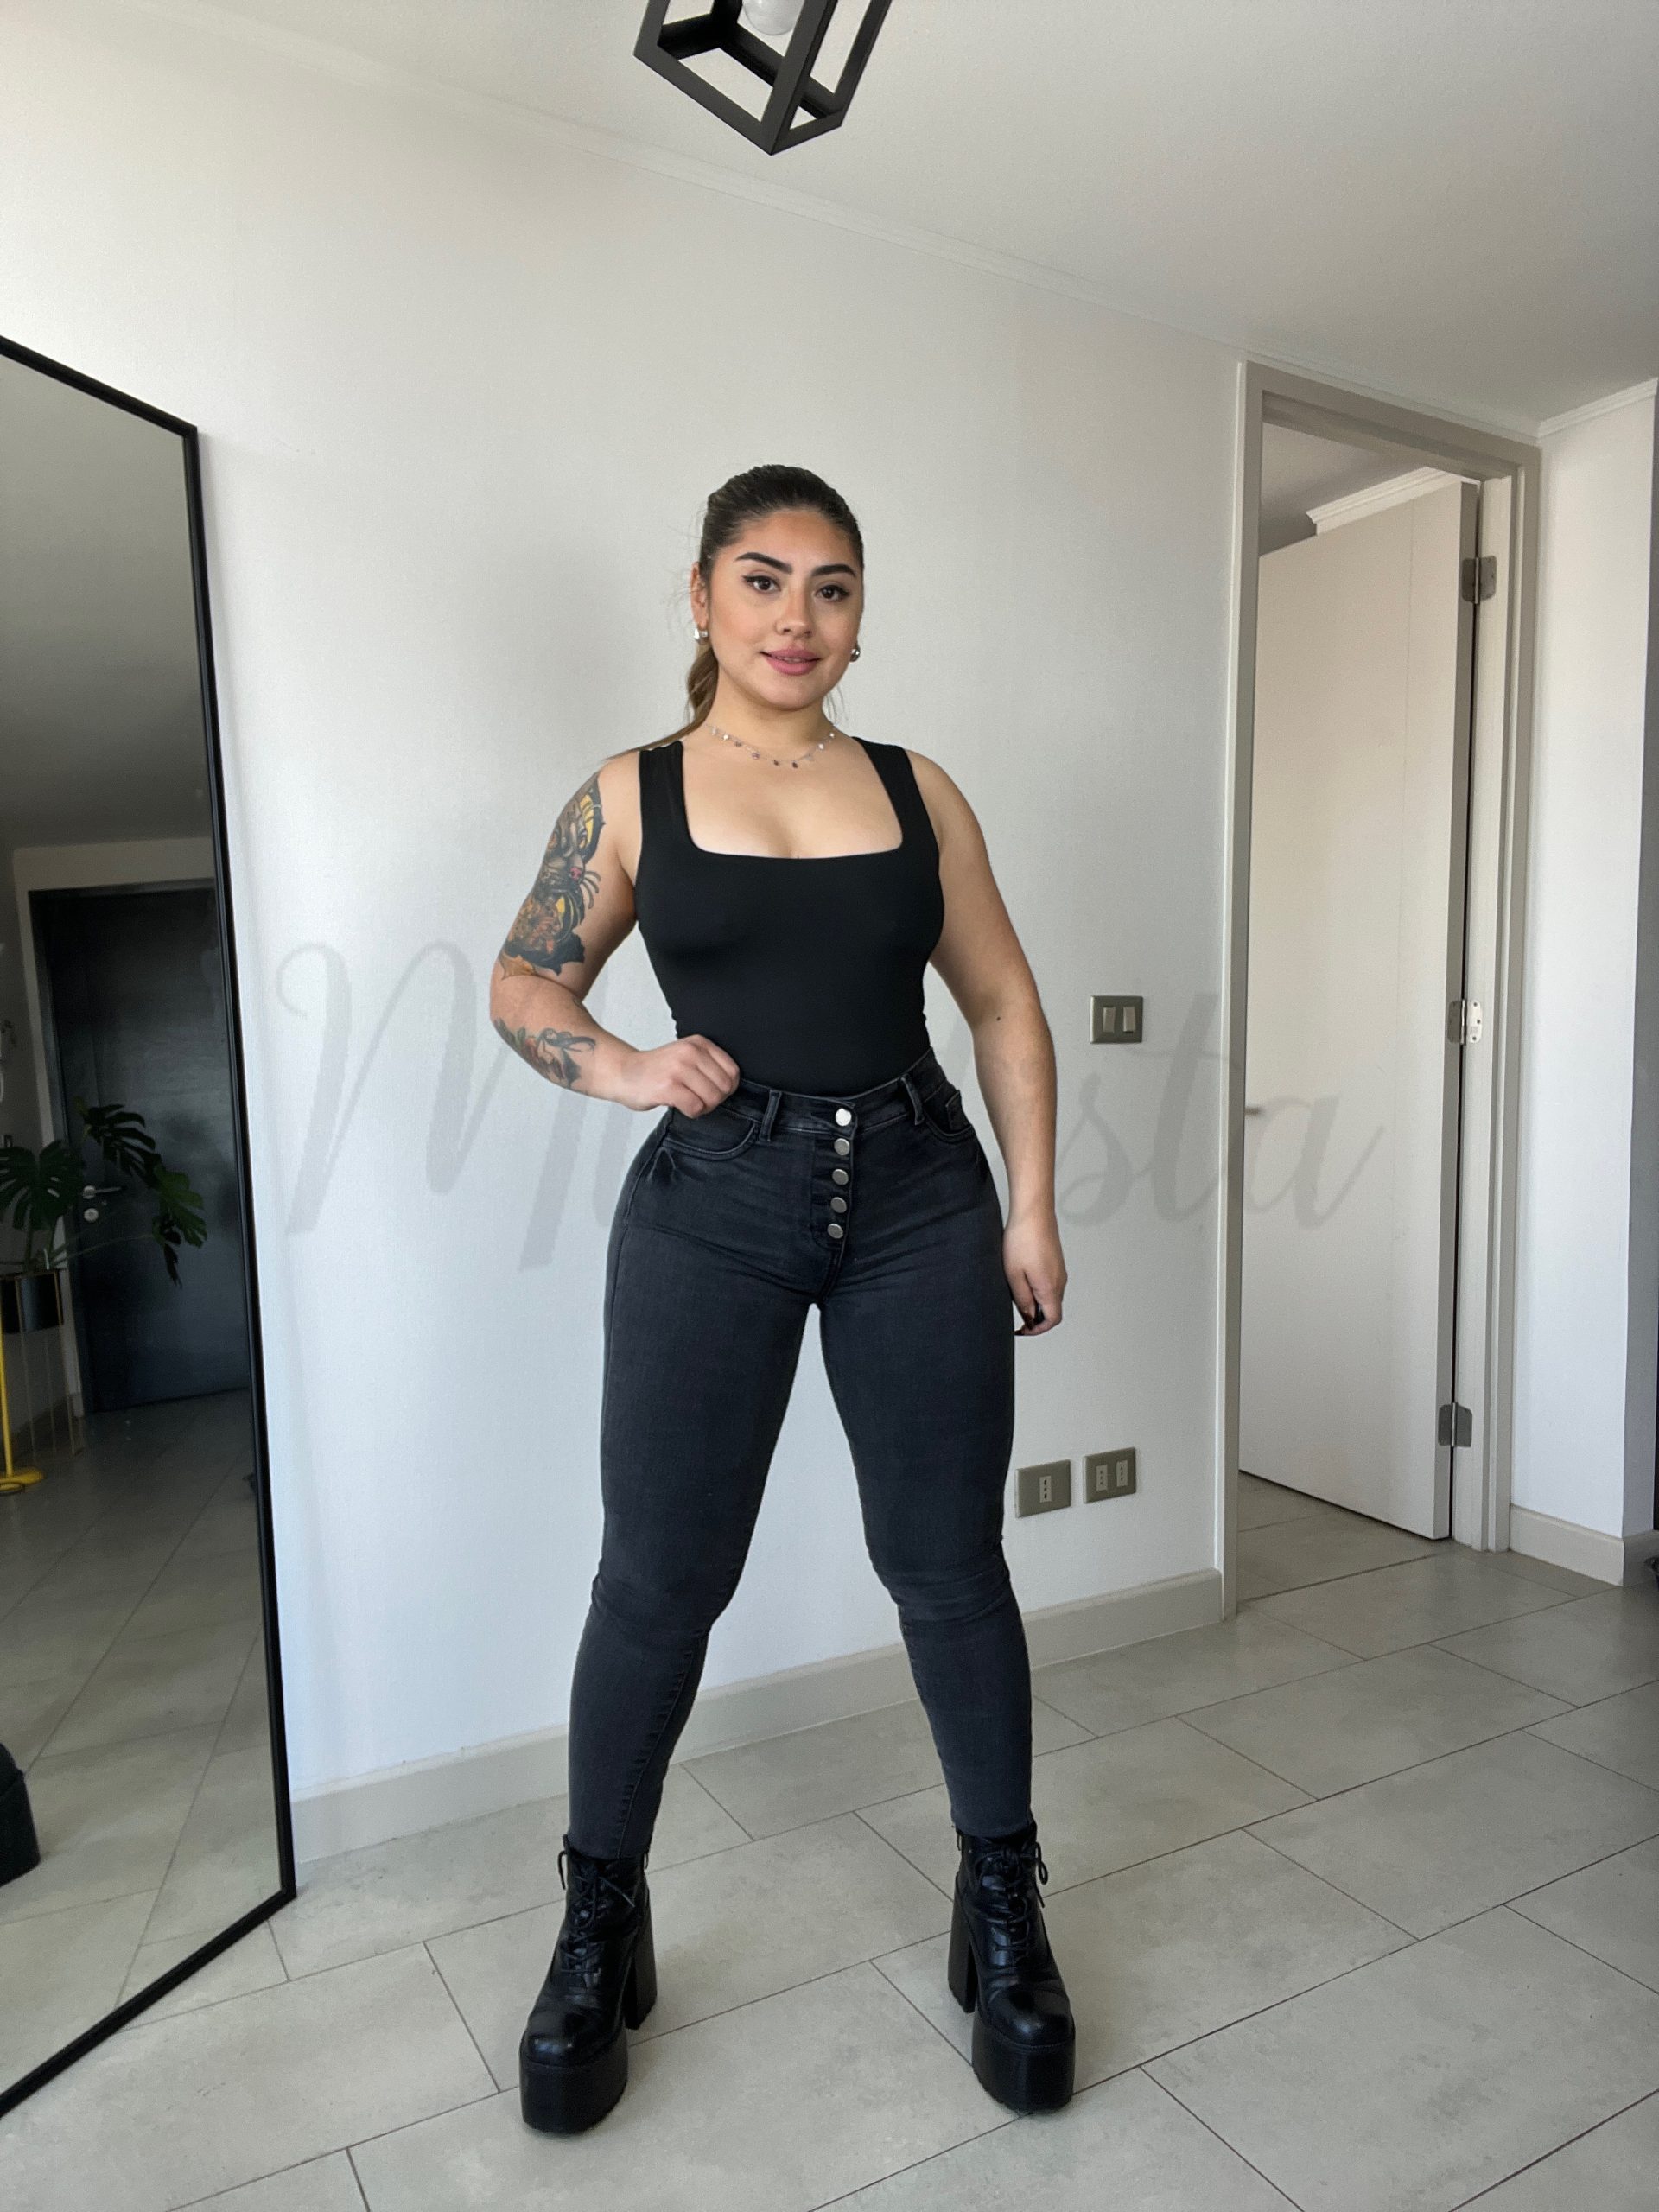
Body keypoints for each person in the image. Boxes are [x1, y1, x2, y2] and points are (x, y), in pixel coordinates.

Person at [489, 463, 1074, 2135]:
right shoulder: (632, 793)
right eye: (762, 580)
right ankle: (599, 1924)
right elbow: (523, 978)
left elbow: (1003, 1001)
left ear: (860, 613)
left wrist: (1033, 1203)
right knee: (658, 1582)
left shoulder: (918, 790)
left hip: (919, 1196)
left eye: (830, 587)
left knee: (951, 1572)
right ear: (702, 598)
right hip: (715, 1205)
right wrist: (623, 1066)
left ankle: (1004, 1907)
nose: (795, 618)